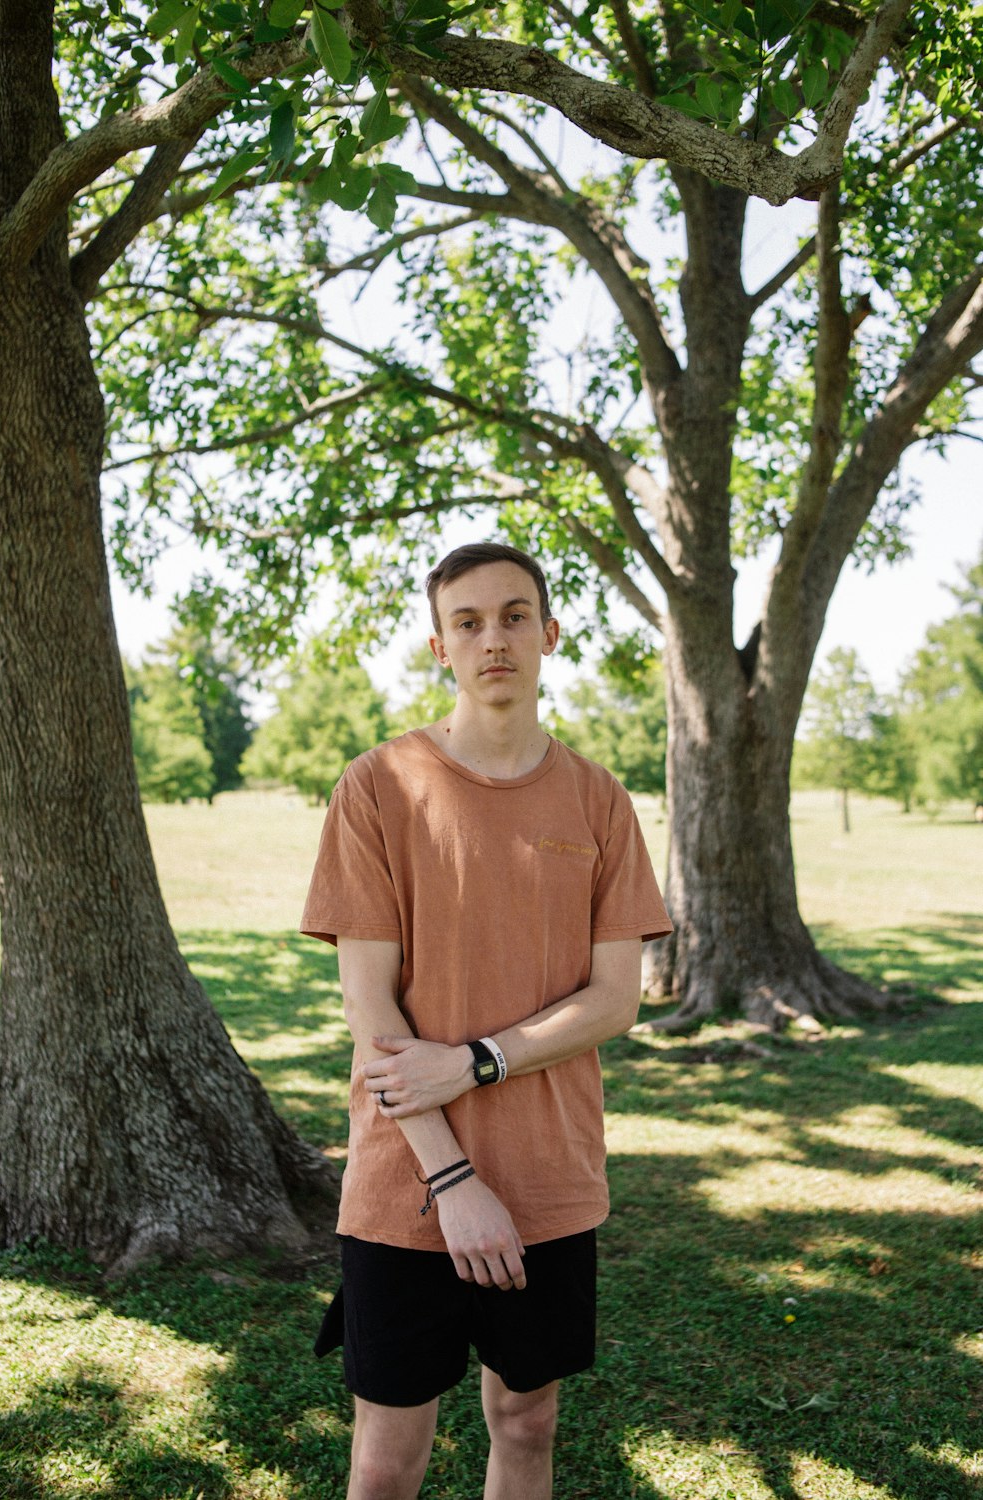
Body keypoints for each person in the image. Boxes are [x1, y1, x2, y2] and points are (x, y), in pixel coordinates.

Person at [300, 542, 672, 1500]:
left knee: (526, 1422)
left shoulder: (599, 801)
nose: (492, 638)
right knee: (387, 1457)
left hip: (551, 1178)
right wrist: (453, 1178)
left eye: (514, 617)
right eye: (467, 622)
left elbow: (616, 997)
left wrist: (475, 1062)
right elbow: (372, 1013)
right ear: (438, 646)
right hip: (405, 1184)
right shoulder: (377, 787)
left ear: (550, 635)